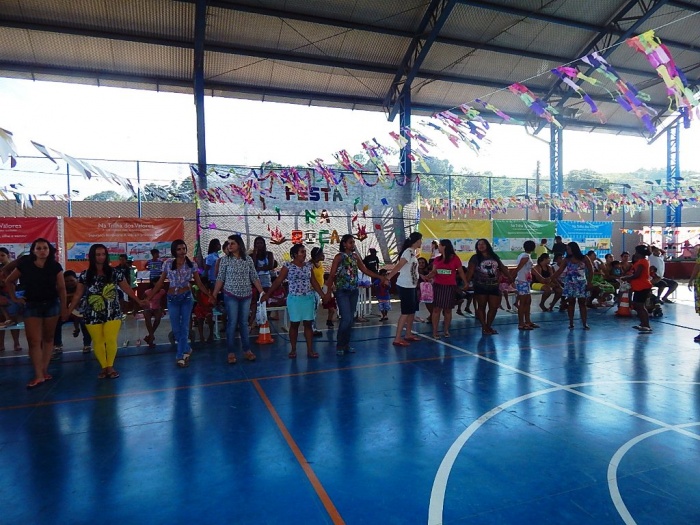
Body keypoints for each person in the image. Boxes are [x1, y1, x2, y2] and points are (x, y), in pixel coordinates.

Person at [65, 244, 146, 378]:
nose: (101, 257)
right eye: (98, 254)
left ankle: (110, 366)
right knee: (98, 341)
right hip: (92, 313)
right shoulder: (85, 275)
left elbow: (126, 288)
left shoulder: (115, 273)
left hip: (112, 311)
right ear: (92, 256)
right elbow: (78, 294)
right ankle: (104, 367)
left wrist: (138, 301)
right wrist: (69, 310)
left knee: (110, 339)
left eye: (103, 254)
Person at [5, 239, 66, 388]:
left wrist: (64, 308)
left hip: (52, 305)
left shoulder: (55, 266)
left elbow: (61, 288)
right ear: (33, 250)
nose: (42, 251)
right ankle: (38, 375)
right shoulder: (25, 265)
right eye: (38, 248)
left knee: (48, 338)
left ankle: (44, 370)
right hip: (31, 305)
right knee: (33, 341)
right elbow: (9, 280)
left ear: (49, 250)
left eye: (45, 248)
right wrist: (14, 298)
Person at [151, 240, 211, 368]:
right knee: (176, 329)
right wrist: (149, 297)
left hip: (186, 298)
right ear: (174, 251)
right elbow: (160, 282)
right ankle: (187, 348)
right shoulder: (168, 264)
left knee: (184, 327)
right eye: (179, 249)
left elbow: (199, 283)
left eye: (184, 248)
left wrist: (209, 295)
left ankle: (180, 356)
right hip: (172, 299)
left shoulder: (192, 264)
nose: (182, 251)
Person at [325, 234, 385, 356]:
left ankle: (346, 344)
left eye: (353, 242)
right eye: (350, 242)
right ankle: (340, 344)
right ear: (344, 244)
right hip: (342, 291)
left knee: (350, 319)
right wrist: (327, 292)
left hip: (353, 291)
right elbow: (331, 275)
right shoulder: (339, 257)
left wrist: (379, 277)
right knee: (346, 318)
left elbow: (365, 270)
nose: (353, 244)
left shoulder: (355, 257)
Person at [262, 244, 326, 359]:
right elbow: (278, 281)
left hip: (308, 298)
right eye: (302, 252)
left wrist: (322, 295)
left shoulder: (308, 266)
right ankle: (293, 349)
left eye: (305, 251)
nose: (304, 254)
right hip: (294, 299)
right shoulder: (288, 266)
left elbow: (314, 282)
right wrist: (268, 294)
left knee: (308, 324)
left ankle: (310, 350)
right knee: (294, 324)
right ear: (295, 254)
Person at [211, 234, 264, 364]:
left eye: (232, 243)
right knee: (232, 322)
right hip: (231, 295)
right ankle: (231, 352)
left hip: (246, 295)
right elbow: (220, 278)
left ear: (239, 245)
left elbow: (254, 276)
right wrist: (214, 294)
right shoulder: (225, 260)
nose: (229, 246)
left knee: (244, 323)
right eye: (228, 243)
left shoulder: (248, 260)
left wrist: (262, 292)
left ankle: (247, 350)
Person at [464, 238, 511, 335]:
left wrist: (510, 277)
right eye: (479, 244)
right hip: (480, 285)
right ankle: (484, 327)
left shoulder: (494, 256)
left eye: (483, 244)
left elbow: (502, 267)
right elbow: (470, 271)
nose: (481, 246)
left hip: (494, 285)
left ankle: (488, 326)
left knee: (494, 307)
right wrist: (466, 283)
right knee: (481, 306)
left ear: (487, 245)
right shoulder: (475, 258)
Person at [385, 231, 423, 346]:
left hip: (411, 285)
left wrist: (421, 277)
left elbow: (412, 269)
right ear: (416, 241)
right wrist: (388, 278)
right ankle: (397, 338)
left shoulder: (412, 253)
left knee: (411, 311)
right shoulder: (408, 252)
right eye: (420, 240)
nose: (421, 242)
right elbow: (399, 266)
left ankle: (408, 334)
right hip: (405, 286)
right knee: (406, 311)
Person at [426, 239, 468, 339]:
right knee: (436, 309)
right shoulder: (437, 259)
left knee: (448, 310)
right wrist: (428, 276)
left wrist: (465, 282)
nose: (438, 247)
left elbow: (461, 271)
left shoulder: (455, 259)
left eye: (440, 245)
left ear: (444, 246)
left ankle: (446, 330)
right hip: (438, 286)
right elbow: (434, 272)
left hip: (450, 286)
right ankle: (435, 331)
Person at [552, 241, 594, 330]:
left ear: (573, 249)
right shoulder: (566, 259)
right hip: (570, 283)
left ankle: (584, 322)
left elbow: (591, 270)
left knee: (582, 303)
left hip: (581, 283)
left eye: (568, 249)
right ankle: (571, 322)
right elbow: (559, 271)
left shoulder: (584, 258)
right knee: (571, 303)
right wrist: (551, 278)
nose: (567, 251)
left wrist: (589, 282)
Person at [53, 270, 92, 357]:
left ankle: (87, 344)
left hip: (80, 313)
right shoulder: (60, 289)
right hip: (66, 313)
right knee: (56, 322)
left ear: (76, 279)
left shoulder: (83, 287)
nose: (69, 283)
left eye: (71, 280)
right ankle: (58, 345)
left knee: (84, 321)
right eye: (66, 281)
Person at [621, 245, 653, 333]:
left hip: (643, 286)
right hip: (638, 287)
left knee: (641, 306)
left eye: (636, 252)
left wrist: (626, 278)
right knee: (637, 305)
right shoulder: (640, 261)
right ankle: (642, 323)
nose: (635, 254)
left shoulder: (642, 262)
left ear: (639, 253)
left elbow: (637, 275)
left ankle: (646, 325)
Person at [250, 236, 276, 330]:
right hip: (255, 279)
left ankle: (265, 318)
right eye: (257, 243)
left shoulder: (269, 254)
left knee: (265, 298)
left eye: (261, 243)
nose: (259, 245)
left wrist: (259, 268)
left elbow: (270, 266)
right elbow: (252, 266)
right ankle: (256, 319)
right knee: (256, 299)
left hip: (265, 279)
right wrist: (255, 255)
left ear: (264, 244)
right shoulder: (252, 255)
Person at [0, 247, 22, 352]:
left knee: (13, 320)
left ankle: (16, 343)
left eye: (2, 255)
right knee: (1, 320)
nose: (0, 258)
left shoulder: (13, 267)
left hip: (11, 295)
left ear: (8, 255)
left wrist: (4, 282)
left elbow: (12, 281)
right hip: (1, 295)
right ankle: (1, 344)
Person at [514, 240, 538, 330]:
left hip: (525, 282)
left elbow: (531, 268)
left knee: (528, 301)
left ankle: (528, 321)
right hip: (522, 282)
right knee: (523, 303)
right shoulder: (525, 257)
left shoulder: (525, 256)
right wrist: (511, 278)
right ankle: (521, 323)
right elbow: (518, 269)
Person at [142, 281, 165, 348]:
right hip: (148, 308)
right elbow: (142, 300)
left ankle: (150, 336)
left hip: (157, 308)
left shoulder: (162, 291)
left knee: (158, 318)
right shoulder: (147, 292)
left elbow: (163, 301)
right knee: (147, 318)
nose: (162, 284)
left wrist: (162, 309)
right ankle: (151, 337)